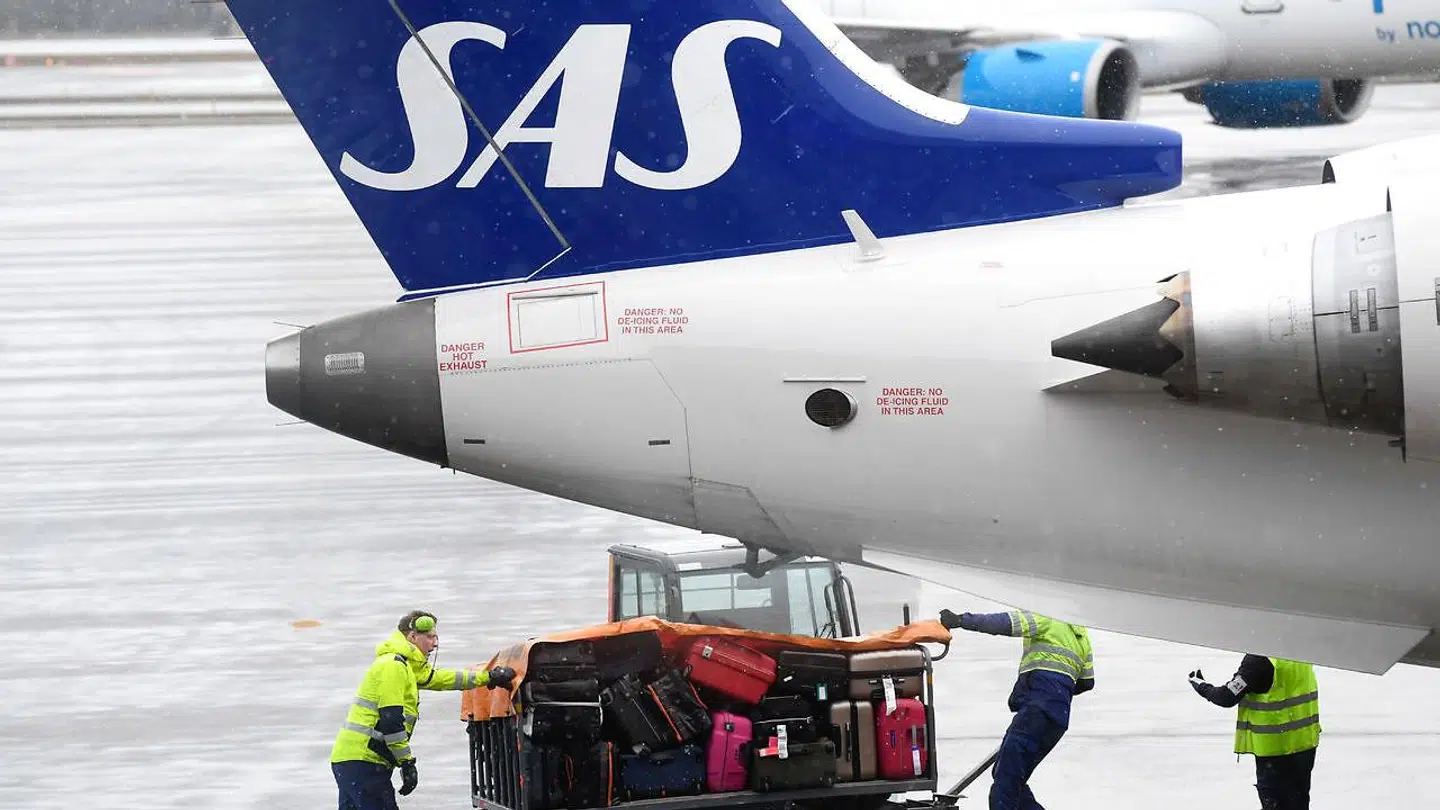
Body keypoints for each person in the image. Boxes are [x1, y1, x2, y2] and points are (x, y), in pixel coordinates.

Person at [331, 610, 516, 809]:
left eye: (436, 638)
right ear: (412, 637)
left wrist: (488, 677)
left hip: (352, 759)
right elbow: (391, 721)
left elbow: (442, 679)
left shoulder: (406, 666)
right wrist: (406, 762)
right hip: (364, 760)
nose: (434, 644)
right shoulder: (393, 666)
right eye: (429, 637)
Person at [939, 607, 1094, 810]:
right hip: (1057, 719)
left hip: (1036, 711)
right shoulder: (1081, 636)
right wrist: (1059, 690)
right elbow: (1087, 682)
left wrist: (961, 620)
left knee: (1005, 785)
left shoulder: (1047, 614)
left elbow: (1005, 623)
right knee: (1011, 778)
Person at [1187, 655, 1321, 810]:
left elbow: (1227, 696)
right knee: (1298, 803)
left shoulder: (1259, 661)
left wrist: (1202, 686)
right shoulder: (1299, 651)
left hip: (1275, 750)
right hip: (1304, 745)